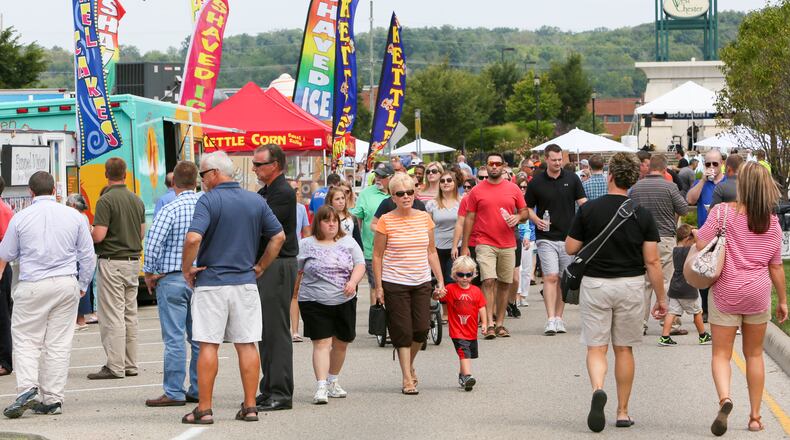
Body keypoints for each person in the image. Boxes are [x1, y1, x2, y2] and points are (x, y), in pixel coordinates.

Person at [565, 153, 668, 433]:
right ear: (633, 180)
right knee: (624, 349)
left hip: (596, 285)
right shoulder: (642, 214)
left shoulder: (588, 210)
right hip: (631, 285)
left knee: (596, 348)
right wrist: (660, 298)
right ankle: (623, 412)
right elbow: (653, 262)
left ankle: (598, 389)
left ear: (609, 176)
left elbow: (570, 248)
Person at [180, 151, 285, 424]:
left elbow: (193, 238)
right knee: (247, 344)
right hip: (245, 282)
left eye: (203, 174)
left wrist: (186, 268)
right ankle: (250, 405)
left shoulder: (209, 200)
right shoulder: (254, 199)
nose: (201, 180)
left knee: (208, 345)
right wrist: (260, 266)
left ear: (214, 173)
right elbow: (279, 236)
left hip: (212, 282)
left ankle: (204, 408)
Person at [698, 162, 787, 436]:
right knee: (754, 354)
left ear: (742, 186)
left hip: (726, 291)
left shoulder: (723, 213)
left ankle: (725, 398)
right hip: (758, 293)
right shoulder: (772, 224)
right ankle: (756, 417)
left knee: (722, 354)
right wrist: (783, 300)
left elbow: (702, 243)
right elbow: (776, 266)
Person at [0, 171, 96, 418]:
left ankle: (27, 388)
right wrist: (82, 284)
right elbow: (87, 255)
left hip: (33, 284)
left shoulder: (21, 218)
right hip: (66, 283)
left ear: (31, 192)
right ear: (54, 190)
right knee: (58, 343)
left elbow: (7, 253)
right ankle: (52, 398)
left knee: (25, 339)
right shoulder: (74, 216)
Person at [373, 173, 445, 395]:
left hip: (421, 280)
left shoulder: (424, 217)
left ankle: (409, 363)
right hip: (395, 282)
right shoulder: (386, 220)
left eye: (410, 192)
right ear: (392, 197)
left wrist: (440, 279)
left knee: (422, 329)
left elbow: (431, 251)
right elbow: (377, 255)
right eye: (400, 194)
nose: (406, 197)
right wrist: (379, 287)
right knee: (402, 331)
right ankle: (407, 378)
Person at [142, 161, 202, 407]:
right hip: (202, 278)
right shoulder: (206, 205)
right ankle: (199, 388)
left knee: (174, 338)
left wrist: (150, 271)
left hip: (174, 278)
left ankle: (174, 391)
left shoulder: (170, 208)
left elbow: (153, 243)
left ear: (174, 182)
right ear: (196, 181)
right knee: (199, 338)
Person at [296, 206, 365, 404]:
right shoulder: (306, 244)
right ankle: (321, 386)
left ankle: (333, 380)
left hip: (344, 299)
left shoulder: (348, 242)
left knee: (341, 343)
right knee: (322, 343)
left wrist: (352, 282)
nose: (332, 224)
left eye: (335, 220)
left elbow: (359, 264)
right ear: (319, 223)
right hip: (313, 300)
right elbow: (296, 270)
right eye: (327, 221)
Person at [88, 158, 146, 380]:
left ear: (106, 174)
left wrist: (90, 232)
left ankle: (115, 365)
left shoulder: (106, 200)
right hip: (133, 261)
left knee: (112, 315)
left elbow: (100, 235)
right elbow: (141, 232)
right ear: (125, 174)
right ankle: (130, 363)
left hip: (112, 260)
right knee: (130, 315)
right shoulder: (136, 200)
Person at [251, 144, 298, 412]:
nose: (255, 169)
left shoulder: (281, 193)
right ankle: (270, 387)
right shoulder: (268, 191)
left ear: (276, 165)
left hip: (278, 264)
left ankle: (280, 392)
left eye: (259, 165)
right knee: (265, 331)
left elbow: (265, 229)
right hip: (270, 264)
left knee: (276, 331)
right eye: (255, 164)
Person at [461, 153, 528, 339]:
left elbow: (525, 212)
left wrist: (518, 217)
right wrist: (465, 246)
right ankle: (488, 323)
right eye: (491, 163)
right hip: (484, 242)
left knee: (505, 283)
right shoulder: (476, 191)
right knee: (488, 280)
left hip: (507, 242)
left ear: (504, 166)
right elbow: (469, 218)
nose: (495, 166)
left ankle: (500, 324)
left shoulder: (513, 189)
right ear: (487, 166)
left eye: (498, 163)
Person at [525, 144, 587, 335]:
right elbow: (526, 207)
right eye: (554, 160)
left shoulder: (572, 178)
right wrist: (535, 220)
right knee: (550, 276)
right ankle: (550, 319)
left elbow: (582, 203)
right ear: (546, 159)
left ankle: (559, 318)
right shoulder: (536, 181)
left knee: (563, 279)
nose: (558, 163)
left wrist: (587, 222)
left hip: (568, 237)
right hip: (546, 237)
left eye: (560, 159)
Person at [628, 154, 689, 335]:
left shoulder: (636, 188)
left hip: (642, 240)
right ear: (664, 170)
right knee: (667, 281)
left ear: (649, 168)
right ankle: (669, 323)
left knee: (645, 283)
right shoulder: (670, 187)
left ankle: (641, 323)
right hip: (665, 238)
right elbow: (684, 209)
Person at [435, 256, 486, 392]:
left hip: (471, 330)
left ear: (473, 274)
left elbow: (482, 307)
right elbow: (439, 297)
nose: (464, 278)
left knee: (467, 354)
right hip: (457, 331)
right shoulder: (451, 289)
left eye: (468, 275)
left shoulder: (476, 291)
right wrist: (437, 293)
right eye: (460, 274)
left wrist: (486, 323)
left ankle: (462, 376)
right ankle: (468, 375)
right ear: (454, 275)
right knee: (464, 353)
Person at [686, 149, 726, 320]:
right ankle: (705, 309)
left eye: (714, 164)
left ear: (721, 164)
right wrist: (702, 180)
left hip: (725, 235)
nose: (711, 167)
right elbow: (690, 200)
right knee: (704, 271)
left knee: (722, 273)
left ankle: (721, 307)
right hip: (705, 234)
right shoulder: (700, 183)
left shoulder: (727, 183)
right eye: (707, 164)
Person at [658, 224, 712, 346]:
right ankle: (703, 335)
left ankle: (665, 336)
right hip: (688, 288)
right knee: (697, 312)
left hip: (675, 288)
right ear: (688, 239)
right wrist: (696, 232)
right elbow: (700, 246)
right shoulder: (689, 249)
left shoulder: (675, 249)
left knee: (672, 312)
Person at [350, 163, 393, 304]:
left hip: (396, 250)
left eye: (382, 176)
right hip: (371, 250)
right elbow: (358, 219)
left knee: (394, 288)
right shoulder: (366, 193)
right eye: (377, 175)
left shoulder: (400, 192)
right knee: (375, 287)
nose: (378, 179)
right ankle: (377, 322)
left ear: (391, 178)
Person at [425, 171, 461, 288]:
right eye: (442, 181)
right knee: (439, 283)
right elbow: (428, 227)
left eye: (449, 180)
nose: (446, 183)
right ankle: (442, 306)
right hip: (436, 248)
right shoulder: (432, 204)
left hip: (456, 247)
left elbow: (465, 227)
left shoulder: (462, 202)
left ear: (455, 183)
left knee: (451, 281)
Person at [66, 194, 94, 332]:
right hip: (83, 258)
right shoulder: (84, 216)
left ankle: (79, 320)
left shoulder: (76, 218)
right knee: (83, 289)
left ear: (73, 205)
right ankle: (81, 320)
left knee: (79, 290)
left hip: (77, 258)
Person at [0, 176, 12, 377]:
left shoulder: (2, 210)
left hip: (0, 267)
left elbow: (5, 243)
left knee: (2, 314)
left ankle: (4, 361)